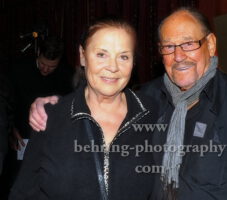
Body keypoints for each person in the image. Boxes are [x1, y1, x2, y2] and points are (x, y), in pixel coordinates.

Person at [29, 7, 227, 200]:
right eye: (168, 47)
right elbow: (103, 104)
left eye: (188, 43)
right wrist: (54, 106)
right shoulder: (148, 102)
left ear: (211, 44)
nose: (178, 55)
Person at [9, 19, 156, 200]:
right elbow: (23, 192)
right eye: (102, 54)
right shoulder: (51, 118)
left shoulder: (154, 113)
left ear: (133, 62)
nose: (113, 67)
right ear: (83, 56)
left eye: (123, 56)